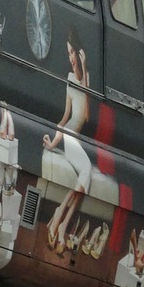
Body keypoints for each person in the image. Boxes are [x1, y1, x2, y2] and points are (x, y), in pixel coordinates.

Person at [43, 27, 92, 253]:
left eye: (73, 52)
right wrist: (53, 143)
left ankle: (59, 218)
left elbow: (87, 115)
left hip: (77, 138)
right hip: (70, 136)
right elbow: (65, 117)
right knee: (87, 171)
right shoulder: (70, 79)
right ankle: (62, 225)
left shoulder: (83, 77)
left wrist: (84, 69)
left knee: (83, 178)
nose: (70, 58)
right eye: (68, 54)